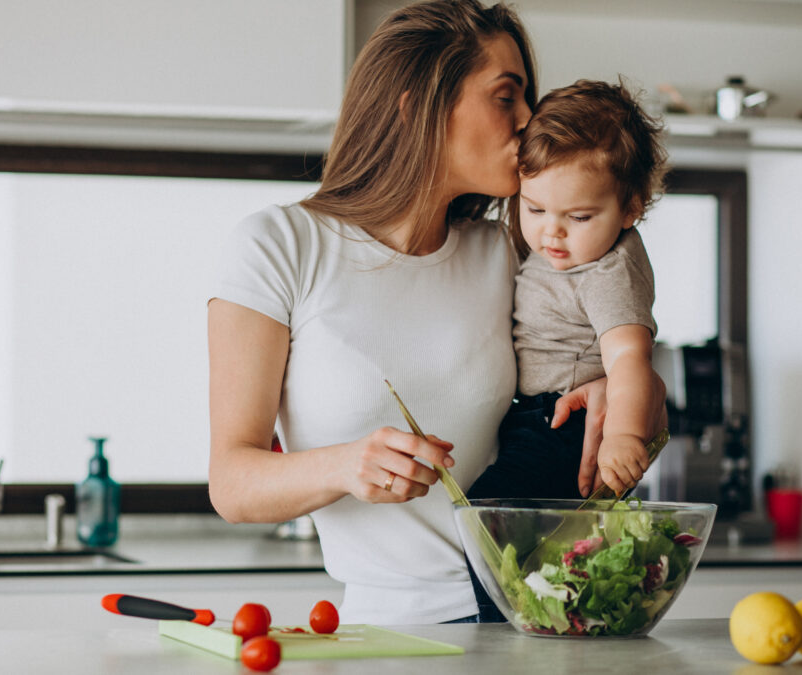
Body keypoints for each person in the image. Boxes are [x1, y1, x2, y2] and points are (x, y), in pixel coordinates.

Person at [207, 1, 665, 625]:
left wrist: (617, 389)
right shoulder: (280, 246)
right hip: (387, 632)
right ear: (415, 105)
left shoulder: (511, 248)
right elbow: (233, 483)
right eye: (507, 97)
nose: (529, 121)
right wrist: (346, 464)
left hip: (538, 616)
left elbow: (621, 347)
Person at [468, 79, 669, 505]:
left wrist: (622, 435)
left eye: (579, 216)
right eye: (535, 209)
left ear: (631, 207)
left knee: (488, 514)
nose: (551, 231)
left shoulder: (607, 269)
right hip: (534, 417)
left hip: (568, 425)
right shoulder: (558, 248)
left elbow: (630, 357)